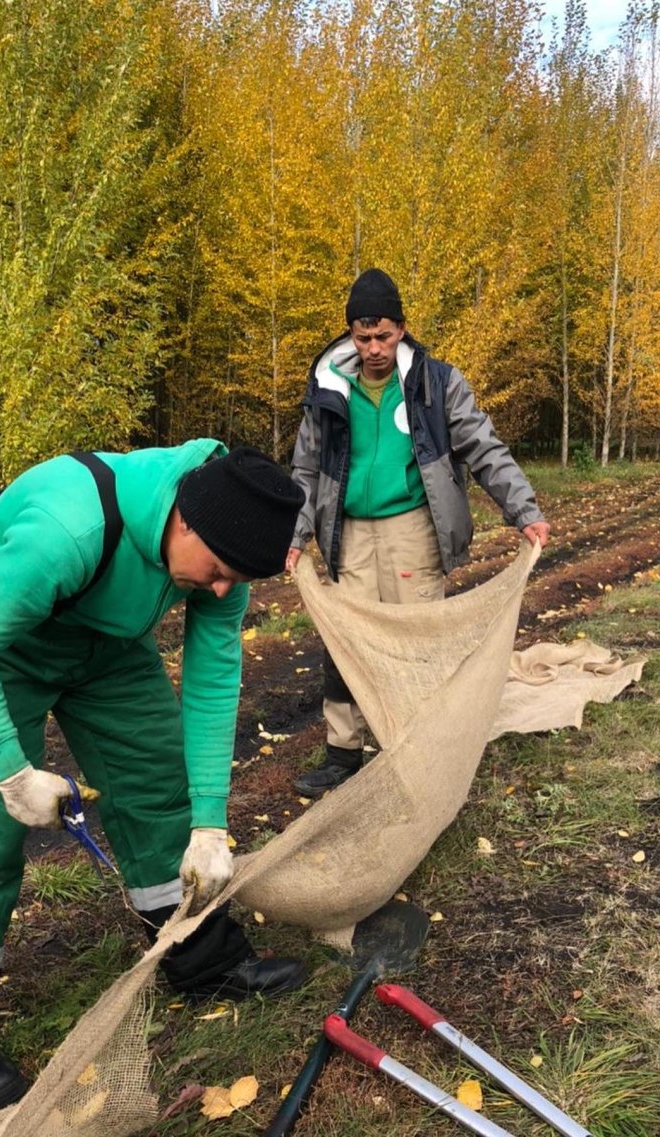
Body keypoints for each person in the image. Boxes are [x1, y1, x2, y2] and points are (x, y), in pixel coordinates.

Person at [0, 440, 307, 1114]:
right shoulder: (69, 528)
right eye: (216, 572)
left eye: (238, 579)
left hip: (108, 644)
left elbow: (212, 680)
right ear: (183, 521)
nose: (221, 590)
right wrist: (10, 770)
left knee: (157, 786)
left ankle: (202, 959)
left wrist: (209, 821)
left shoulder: (225, 538)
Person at [286, 268, 551, 797]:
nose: (374, 348)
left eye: (384, 335)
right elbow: (306, 469)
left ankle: (413, 751)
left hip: (414, 528)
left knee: (413, 639)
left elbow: (484, 448)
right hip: (348, 533)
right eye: (363, 338)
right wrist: (296, 536)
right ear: (350, 335)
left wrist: (525, 511)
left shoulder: (437, 383)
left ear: (402, 328)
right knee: (347, 642)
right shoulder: (329, 387)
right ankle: (343, 753)